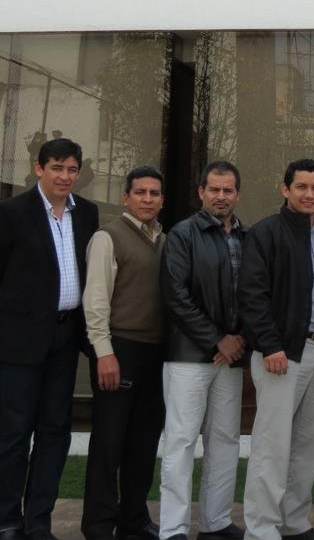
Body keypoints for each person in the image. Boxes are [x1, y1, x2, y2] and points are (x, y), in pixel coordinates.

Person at [239, 158, 314, 540]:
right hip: (281, 355)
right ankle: (261, 529)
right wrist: (269, 344)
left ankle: (294, 522)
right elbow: (252, 295)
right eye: (301, 187)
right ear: (285, 189)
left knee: (308, 445)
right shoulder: (265, 233)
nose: (309, 194)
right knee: (272, 446)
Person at [0, 137, 99, 540]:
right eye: (57, 168)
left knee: (55, 431)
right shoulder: (11, 213)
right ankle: (8, 519)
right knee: (14, 433)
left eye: (72, 169)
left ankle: (39, 520)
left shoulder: (87, 213)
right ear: (39, 169)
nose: (65, 176)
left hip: (66, 337)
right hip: (19, 341)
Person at [159, 161, 247, 540]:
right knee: (180, 442)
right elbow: (175, 296)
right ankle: (173, 529)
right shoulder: (183, 234)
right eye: (214, 189)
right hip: (188, 357)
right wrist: (217, 339)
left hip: (231, 358)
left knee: (225, 441)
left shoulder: (247, 237)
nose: (221, 196)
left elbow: (255, 294)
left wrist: (239, 338)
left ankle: (216, 523)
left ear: (237, 194)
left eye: (228, 190)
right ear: (201, 192)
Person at [81, 167, 168, 540]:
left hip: (156, 352)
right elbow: (95, 301)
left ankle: (133, 519)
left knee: (143, 442)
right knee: (109, 441)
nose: (147, 199)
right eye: (141, 192)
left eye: (154, 193)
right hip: (119, 349)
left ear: (162, 199)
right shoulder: (108, 237)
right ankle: (99, 524)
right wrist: (103, 352)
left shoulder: (164, 240)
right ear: (126, 197)